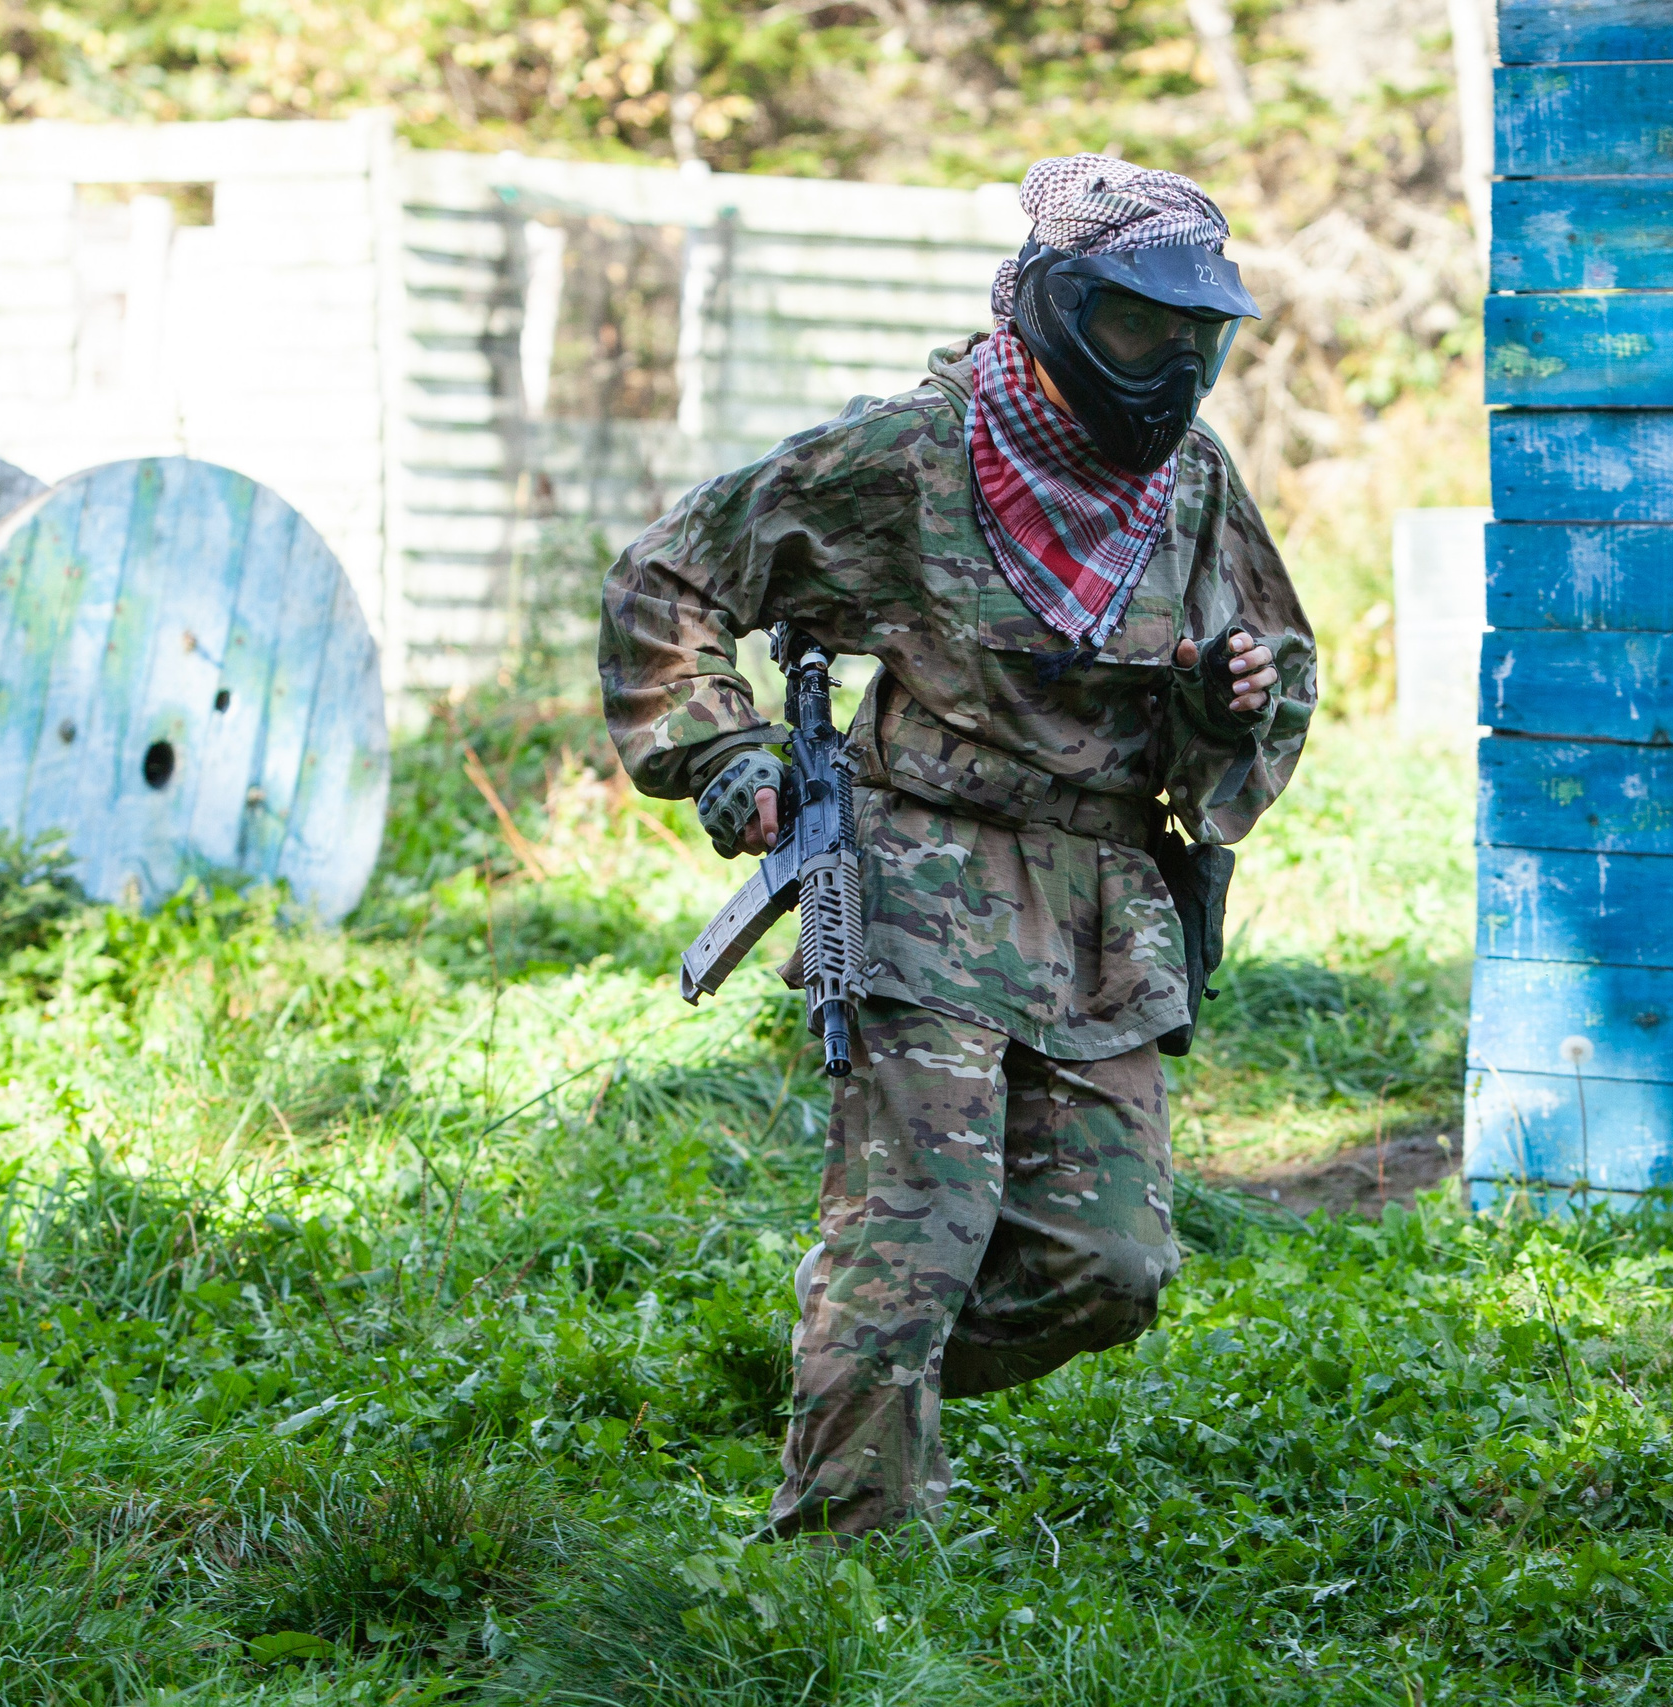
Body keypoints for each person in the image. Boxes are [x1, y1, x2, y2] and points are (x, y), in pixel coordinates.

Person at [597, 154, 1317, 1539]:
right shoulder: (913, 458)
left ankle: (855, 1378)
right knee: (911, 1242)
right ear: (1053, 310)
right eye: (1136, 328)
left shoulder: (1191, 485)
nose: (1169, 369)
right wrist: (729, 754)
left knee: (1111, 1265)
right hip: (920, 872)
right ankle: (844, 1561)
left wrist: (1230, 699)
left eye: (1196, 337)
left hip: (1105, 899)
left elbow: (1272, 670)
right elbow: (668, 580)